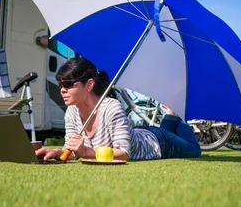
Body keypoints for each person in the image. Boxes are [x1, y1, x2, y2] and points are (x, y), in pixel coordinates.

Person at [35, 57, 201, 162]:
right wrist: (57, 152)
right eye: (60, 85)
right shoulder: (72, 111)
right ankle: (170, 114)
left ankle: (173, 112)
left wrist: (85, 151)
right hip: (137, 133)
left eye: (68, 84)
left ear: (89, 85)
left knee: (195, 150)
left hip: (159, 143)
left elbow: (123, 153)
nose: (62, 90)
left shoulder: (111, 107)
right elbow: (72, 151)